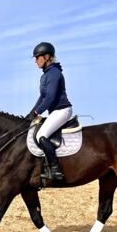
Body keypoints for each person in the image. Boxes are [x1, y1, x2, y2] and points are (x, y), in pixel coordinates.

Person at [25, 42, 73, 181]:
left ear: (46, 57)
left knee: (41, 135)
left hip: (62, 110)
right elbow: (42, 97)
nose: (35, 61)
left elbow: (50, 98)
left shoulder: (54, 73)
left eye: (37, 57)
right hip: (55, 111)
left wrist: (37, 112)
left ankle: (55, 169)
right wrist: (31, 113)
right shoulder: (45, 75)